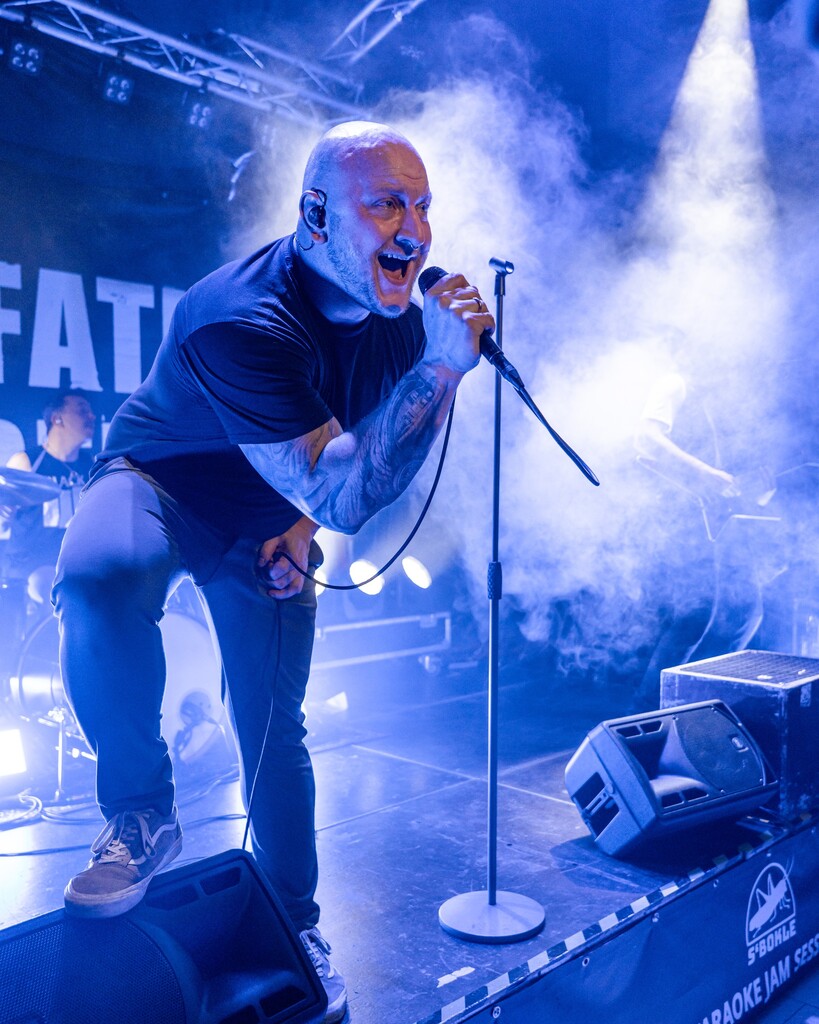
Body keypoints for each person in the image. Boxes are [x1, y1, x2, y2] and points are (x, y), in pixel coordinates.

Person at [53, 121, 492, 1022]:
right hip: (165, 478)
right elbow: (343, 488)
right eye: (386, 203)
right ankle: (140, 813)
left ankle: (296, 925)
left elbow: (346, 453)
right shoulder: (239, 317)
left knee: (272, 723)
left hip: (273, 507)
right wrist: (443, 375)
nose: (412, 227)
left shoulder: (398, 323)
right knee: (100, 576)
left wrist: (296, 523)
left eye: (422, 204)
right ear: (316, 213)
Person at [633, 361, 772, 707]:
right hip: (678, 520)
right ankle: (648, 713)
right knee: (695, 616)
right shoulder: (673, 382)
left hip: (702, 522)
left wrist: (751, 489)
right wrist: (708, 474)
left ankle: (694, 707)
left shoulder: (709, 405)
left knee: (741, 612)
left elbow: (715, 480)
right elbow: (646, 438)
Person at [3, 389, 96, 605]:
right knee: (49, 585)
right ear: (57, 418)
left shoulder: (91, 464)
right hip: (31, 562)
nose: (91, 416)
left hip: (75, 561)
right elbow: (3, 520)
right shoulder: (26, 461)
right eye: (82, 411)